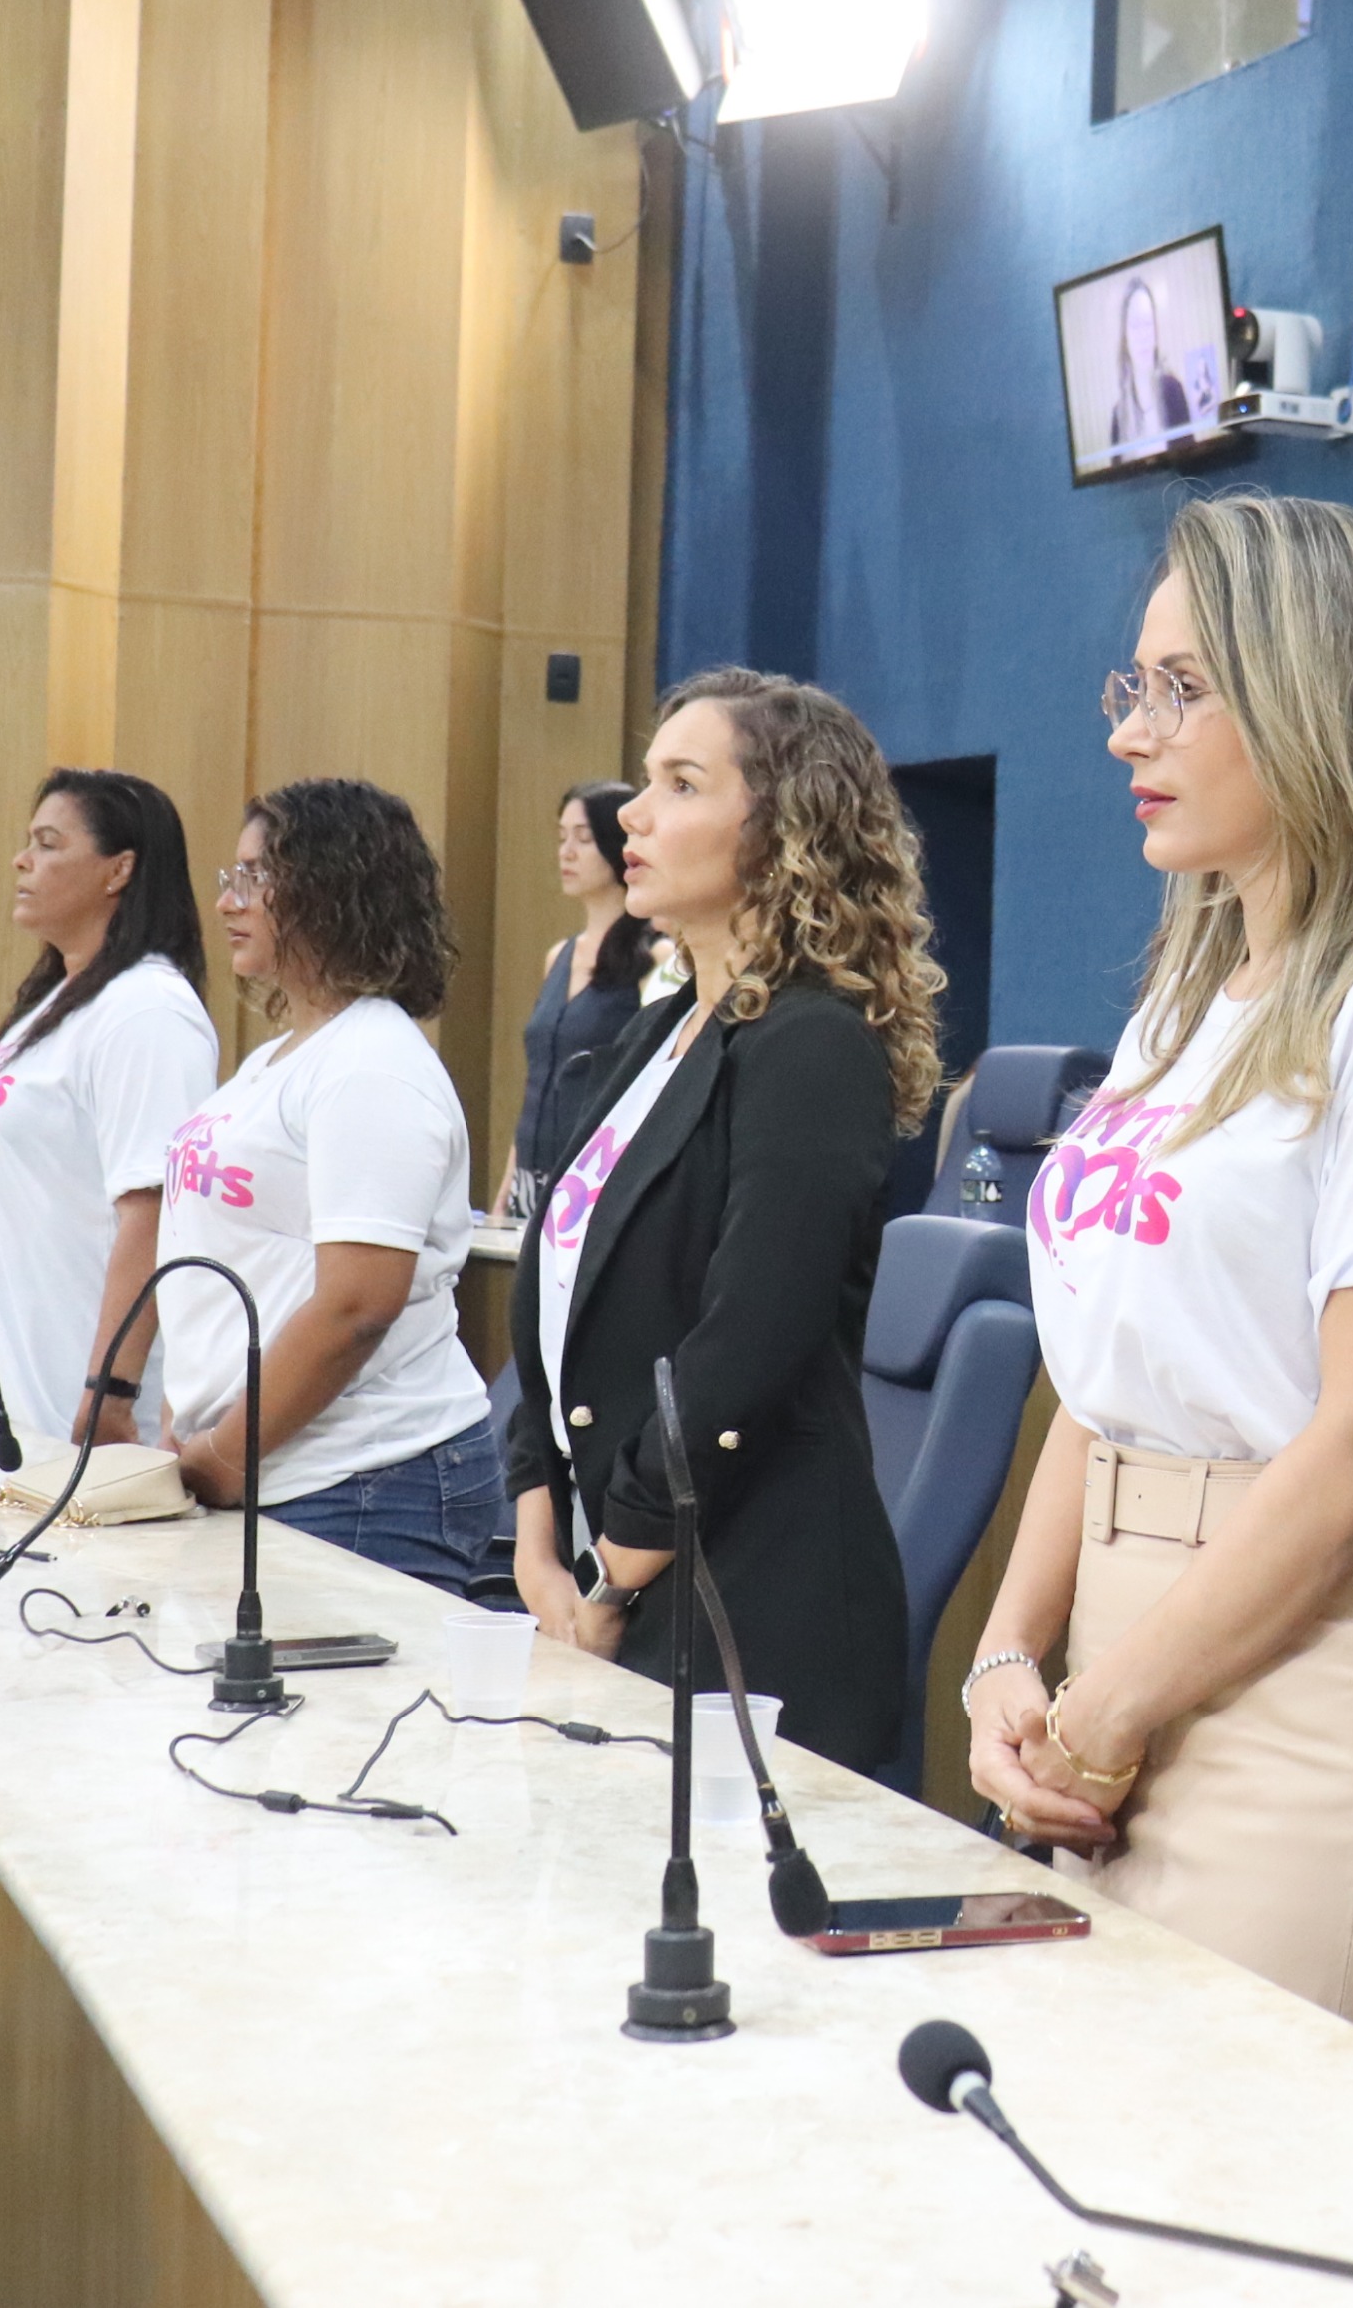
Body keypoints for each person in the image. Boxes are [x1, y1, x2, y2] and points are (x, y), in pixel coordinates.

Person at [965, 494, 1353, 2068]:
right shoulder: (1186, 1004)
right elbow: (1109, 1377)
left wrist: (1111, 1706)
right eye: (1133, 685)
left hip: (1303, 1714)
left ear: (1318, 702)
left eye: (1185, 688)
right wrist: (1013, 1652)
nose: (1131, 731)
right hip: (1126, 1677)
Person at [505, 671, 944, 1765]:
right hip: (609, 1580)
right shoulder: (658, 1033)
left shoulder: (811, 1045)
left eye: (681, 784)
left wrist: (610, 1575)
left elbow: (747, 1342)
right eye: (643, 780)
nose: (633, 816)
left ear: (782, 830)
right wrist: (536, 1539)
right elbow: (551, 1296)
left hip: (751, 1614)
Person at [151, 781, 496, 1595]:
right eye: (230, 877)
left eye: (255, 877)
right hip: (275, 1466)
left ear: (335, 887)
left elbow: (357, 1304)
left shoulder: (372, 1064)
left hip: (364, 1479)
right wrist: (189, 1419)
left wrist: (225, 1454)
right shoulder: (281, 1057)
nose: (228, 901)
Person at [0, 770, 220, 1447]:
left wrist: (109, 1390)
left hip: (86, 1409)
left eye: (48, 843)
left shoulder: (146, 1010)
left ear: (118, 869)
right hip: (12, 1402)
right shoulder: (56, 1002)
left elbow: (154, 1213)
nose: (22, 860)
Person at [512, 780, 655, 1186]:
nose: (567, 852)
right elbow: (537, 1077)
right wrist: (509, 1179)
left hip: (595, 1175)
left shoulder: (653, 958)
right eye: (562, 838)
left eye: (584, 839)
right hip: (532, 1169)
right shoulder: (559, 955)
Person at [1108, 278, 1196, 457]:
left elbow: (1191, 461)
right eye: (1135, 325)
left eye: (1148, 323)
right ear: (1125, 337)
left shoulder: (1173, 391)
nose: (1143, 336)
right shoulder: (1118, 417)